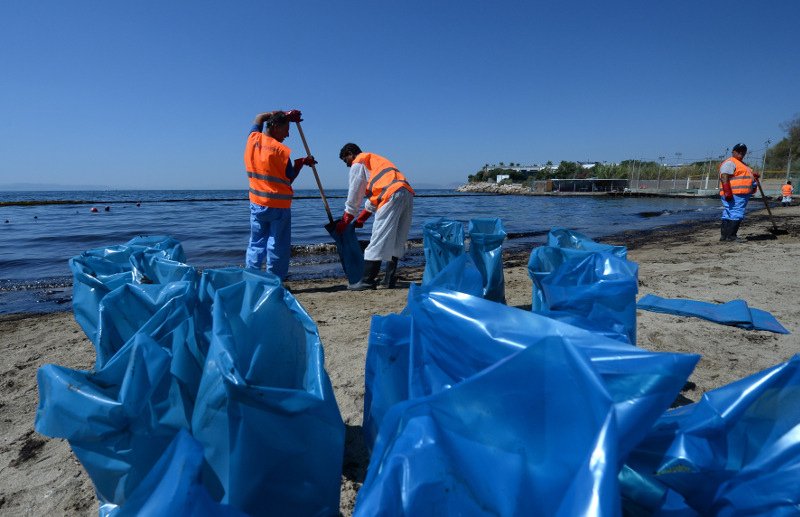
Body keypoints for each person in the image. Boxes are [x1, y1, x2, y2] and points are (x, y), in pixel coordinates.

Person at [244, 110, 316, 279]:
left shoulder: (252, 139)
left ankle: (251, 277)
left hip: (257, 203)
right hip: (278, 206)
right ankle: (274, 280)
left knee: (256, 243)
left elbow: (258, 117)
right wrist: (301, 163)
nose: (288, 135)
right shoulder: (281, 151)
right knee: (277, 245)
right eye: (286, 129)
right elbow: (289, 179)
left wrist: (285, 114)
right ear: (275, 127)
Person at [335, 143, 414, 290]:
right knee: (397, 239)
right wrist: (361, 218)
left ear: (350, 153)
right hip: (406, 192)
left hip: (391, 195)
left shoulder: (358, 162)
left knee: (378, 238)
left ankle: (367, 280)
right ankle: (389, 279)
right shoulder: (375, 161)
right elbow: (375, 196)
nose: (347, 165)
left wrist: (347, 219)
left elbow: (354, 195)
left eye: (345, 161)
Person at [719, 143, 758, 242]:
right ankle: (731, 236)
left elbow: (746, 178)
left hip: (738, 193)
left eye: (743, 151)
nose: (741, 153)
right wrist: (728, 192)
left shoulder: (742, 164)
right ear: (733, 152)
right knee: (736, 213)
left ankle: (724, 236)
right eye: (739, 151)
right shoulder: (730, 162)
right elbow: (724, 176)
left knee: (728, 213)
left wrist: (754, 178)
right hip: (735, 193)